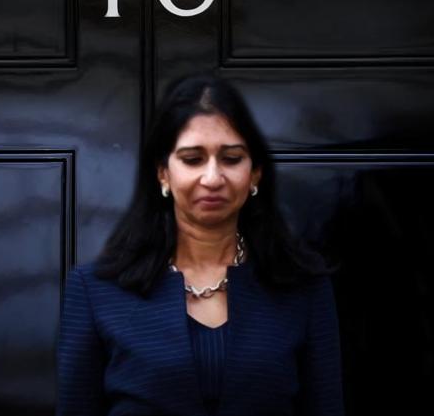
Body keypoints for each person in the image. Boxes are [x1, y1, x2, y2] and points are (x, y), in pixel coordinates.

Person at [57, 73, 345, 416]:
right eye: (193, 159)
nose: (212, 178)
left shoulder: (304, 286)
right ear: (163, 172)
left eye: (232, 158)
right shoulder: (96, 289)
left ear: (254, 174)